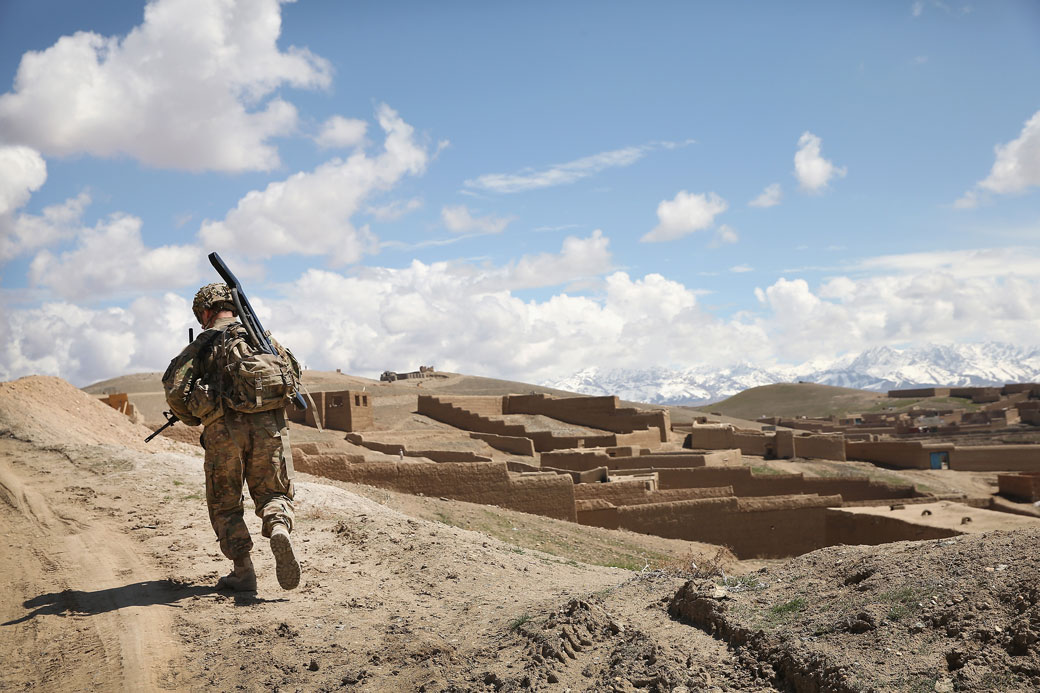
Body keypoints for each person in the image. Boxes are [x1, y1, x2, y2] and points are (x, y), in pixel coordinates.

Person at [162, 283, 301, 591]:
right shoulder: (262, 338)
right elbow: (293, 374)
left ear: (205, 312)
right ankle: (278, 526)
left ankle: (243, 571)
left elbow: (175, 389)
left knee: (225, 502)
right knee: (273, 492)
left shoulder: (203, 343)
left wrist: (195, 417)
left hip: (223, 432)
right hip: (269, 428)